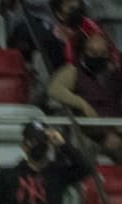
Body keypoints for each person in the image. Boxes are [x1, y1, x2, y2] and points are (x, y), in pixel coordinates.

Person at [47, 33, 122, 165]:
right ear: (83, 53)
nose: (98, 56)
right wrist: (82, 104)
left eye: (103, 53)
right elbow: (54, 89)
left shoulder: (115, 75)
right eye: (92, 52)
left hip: (116, 129)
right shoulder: (73, 71)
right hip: (89, 133)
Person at [9, 0, 118, 71]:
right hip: (36, 24)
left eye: (79, 7)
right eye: (72, 8)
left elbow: (109, 47)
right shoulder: (54, 34)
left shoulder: (88, 24)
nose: (77, 11)